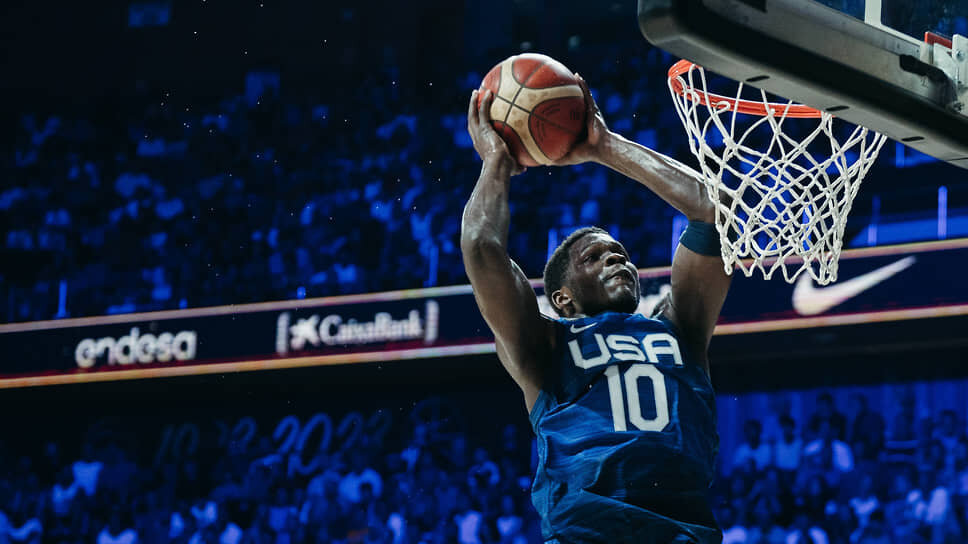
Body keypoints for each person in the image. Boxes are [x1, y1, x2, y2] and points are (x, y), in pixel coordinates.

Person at [462, 73, 732, 543]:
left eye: (620, 254)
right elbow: (481, 247)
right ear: (562, 298)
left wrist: (605, 147)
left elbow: (714, 211)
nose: (616, 259)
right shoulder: (545, 343)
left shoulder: (679, 328)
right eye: (594, 257)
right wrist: (496, 162)